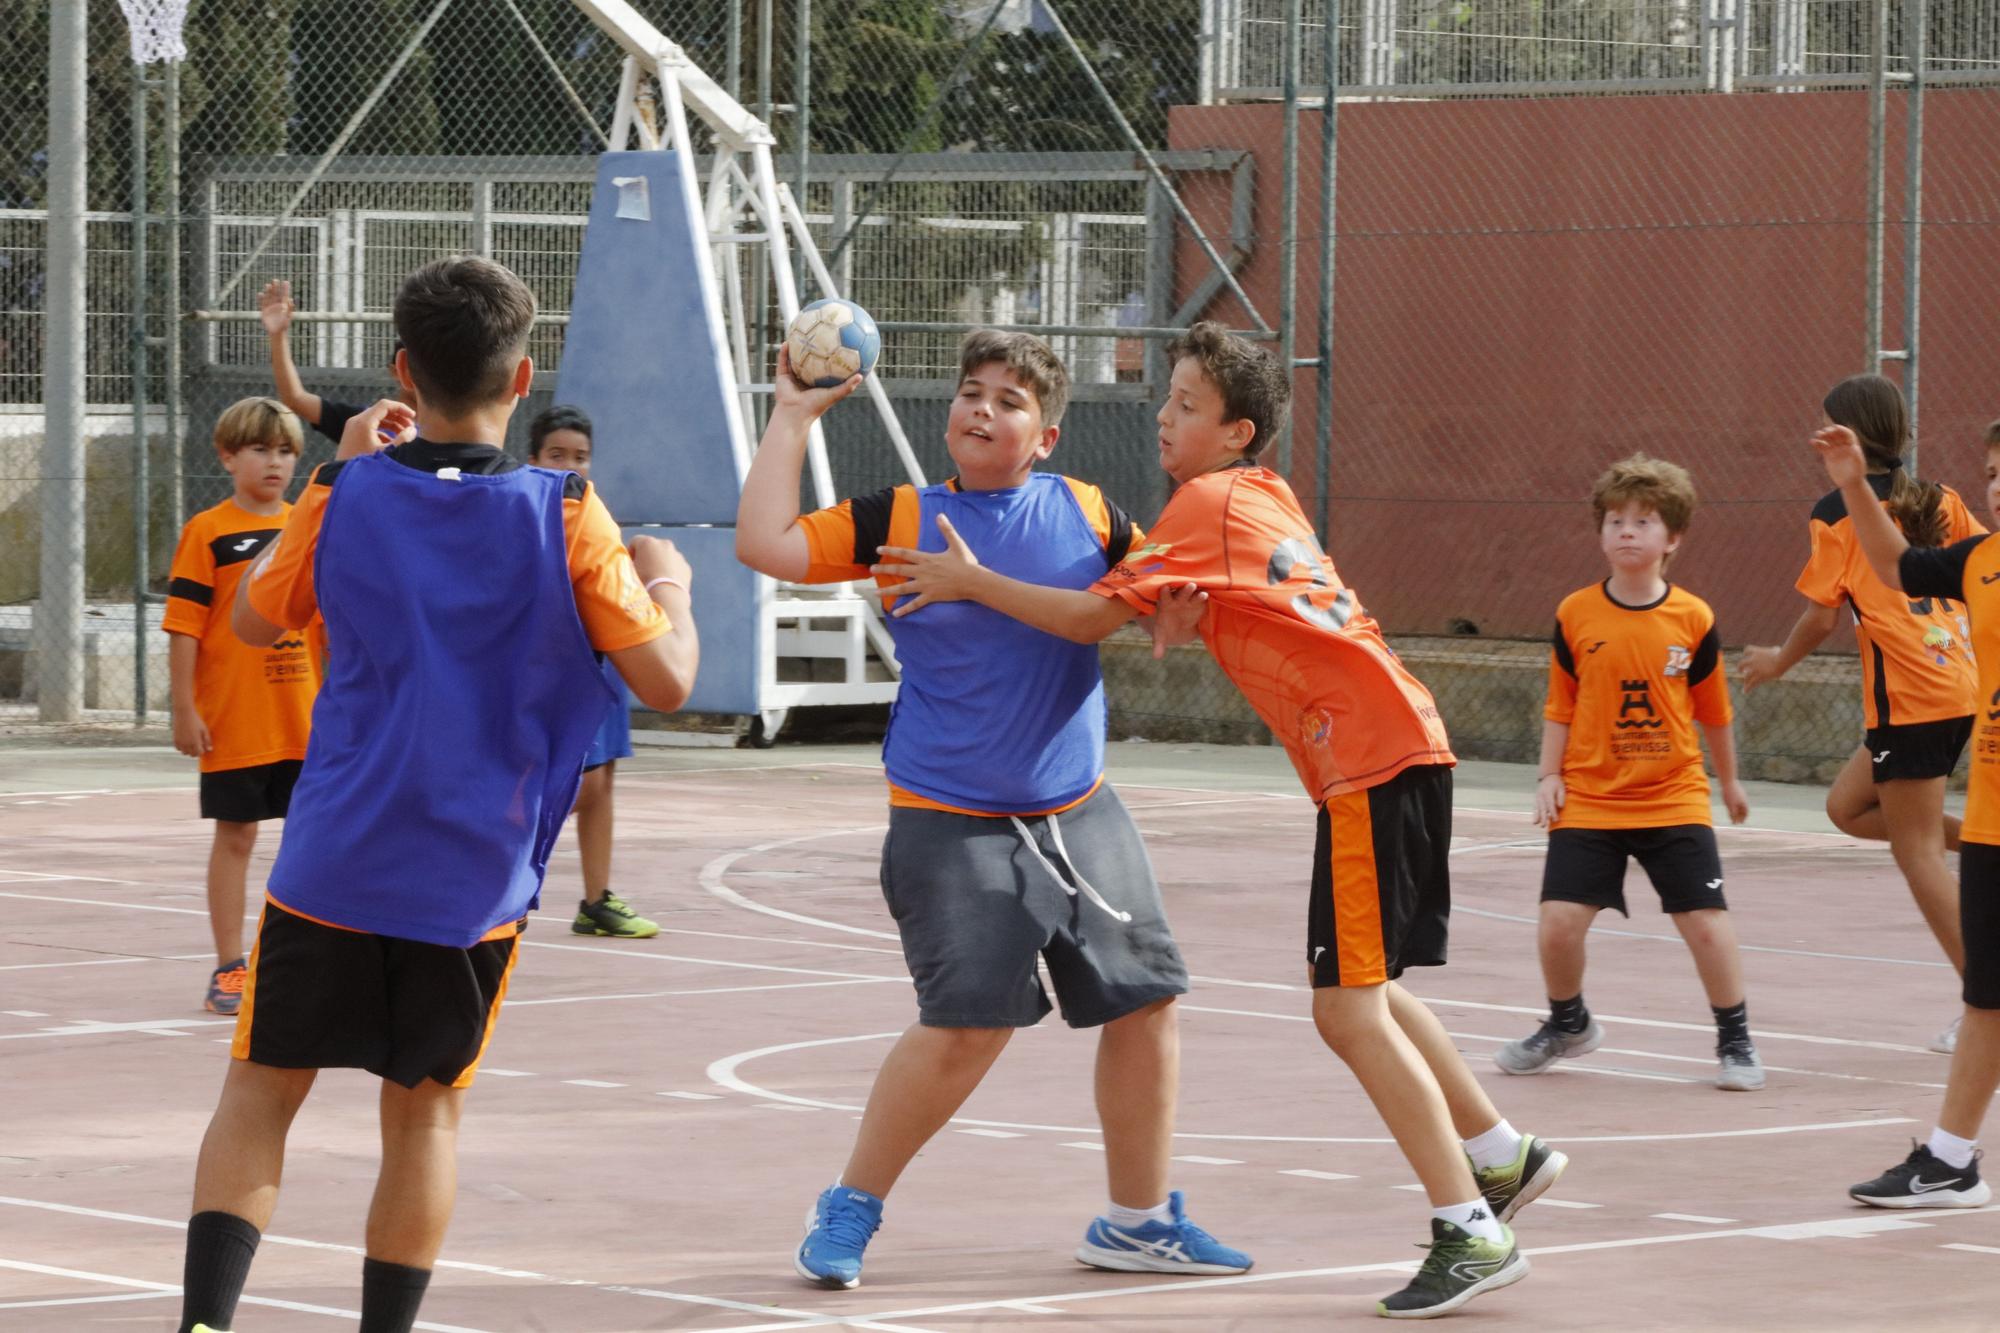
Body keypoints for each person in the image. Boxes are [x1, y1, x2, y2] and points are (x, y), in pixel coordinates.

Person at [875, 321, 1559, 1319]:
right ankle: (1501, 1154)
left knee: (1345, 1009)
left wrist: (967, 578)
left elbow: (1084, 618)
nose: (1163, 416)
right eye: (1166, 399)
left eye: (1185, 406)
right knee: (1364, 986)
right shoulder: (1258, 495)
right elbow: (1216, 604)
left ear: (1235, 431)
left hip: (1368, 761)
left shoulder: (1200, 502)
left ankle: (1468, 1229)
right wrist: (1175, 611)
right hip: (1396, 749)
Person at [174, 256, 700, 1333]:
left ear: (400, 374)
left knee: (261, 1090)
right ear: (524, 373)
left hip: (336, 856)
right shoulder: (567, 512)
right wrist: (671, 588)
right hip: (470, 876)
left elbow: (255, 621)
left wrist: (335, 474)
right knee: (423, 1119)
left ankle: (204, 1323)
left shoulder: (346, 493)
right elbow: (668, 682)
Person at [735, 330, 1251, 1291]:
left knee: (1146, 1004)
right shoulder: (899, 516)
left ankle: (1137, 1221)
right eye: (971, 393)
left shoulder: (1090, 512)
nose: (983, 409)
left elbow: (1166, 585)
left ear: (1047, 435)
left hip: (1077, 807)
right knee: (966, 1026)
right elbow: (763, 543)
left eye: (1010, 401)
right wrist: (793, 417)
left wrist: (1181, 603)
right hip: (951, 813)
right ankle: (850, 1204)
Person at [1495, 455, 1761, 1091]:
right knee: (1558, 924)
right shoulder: (1575, 613)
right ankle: (1568, 1023)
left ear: (1672, 539)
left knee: (1704, 920)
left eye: (1644, 521)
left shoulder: (1692, 618)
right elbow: (1560, 704)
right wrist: (1547, 775)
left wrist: (1729, 783)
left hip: (1673, 794)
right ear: (1601, 533)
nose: (1627, 531)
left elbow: (1714, 711)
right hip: (1591, 796)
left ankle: (1736, 1038)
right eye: (1615, 520)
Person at [1742, 374, 1983, 1054]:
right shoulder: (1941, 498)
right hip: (1957, 681)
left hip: (1911, 693)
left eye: (1826, 427)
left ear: (1851, 435)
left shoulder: (1836, 510)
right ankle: (1988, 841)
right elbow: (1985, 570)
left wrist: (1775, 661)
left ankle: (1983, 1001)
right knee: (1848, 809)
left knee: (1916, 853)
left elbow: (1820, 617)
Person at [1812, 416, 1998, 1209]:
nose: (1998, 484)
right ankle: (1951, 1160)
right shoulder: (1983, 561)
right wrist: (1854, 481)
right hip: (1991, 814)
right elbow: (1896, 567)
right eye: (1993, 470)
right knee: (1986, 992)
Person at [162, 398, 320, 1016]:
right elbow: (184, 627)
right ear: (227, 456)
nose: (274, 461)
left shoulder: (305, 527)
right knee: (237, 838)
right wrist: (184, 708)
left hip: (304, 723)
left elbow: (326, 627)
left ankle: (303, 963)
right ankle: (230, 965)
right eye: (259, 449)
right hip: (235, 721)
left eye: (284, 451)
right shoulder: (206, 532)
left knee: (313, 842)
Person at [525, 404, 657, 938]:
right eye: (557, 455)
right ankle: (507, 877)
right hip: (552, 668)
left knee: (601, 781)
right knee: (563, 786)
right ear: (532, 459)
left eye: (580, 457)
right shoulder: (525, 513)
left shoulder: (592, 515)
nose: (570, 466)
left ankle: (596, 899)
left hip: (599, 657)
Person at [260, 277, 386, 444]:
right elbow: (295, 399)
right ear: (399, 368)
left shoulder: (431, 435)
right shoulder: (363, 423)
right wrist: (277, 335)